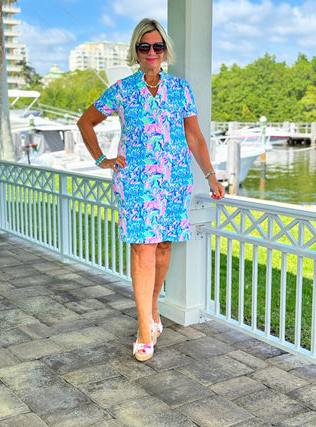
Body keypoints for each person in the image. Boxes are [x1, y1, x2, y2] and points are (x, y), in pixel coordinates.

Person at [77, 18, 225, 362]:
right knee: (142, 249)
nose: (152, 53)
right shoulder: (122, 90)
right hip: (137, 183)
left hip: (173, 181)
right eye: (145, 47)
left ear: (165, 51)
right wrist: (102, 158)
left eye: (158, 46)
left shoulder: (180, 89)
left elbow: (194, 137)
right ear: (136, 51)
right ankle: (145, 327)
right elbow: (86, 122)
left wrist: (211, 176)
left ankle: (153, 308)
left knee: (161, 246)